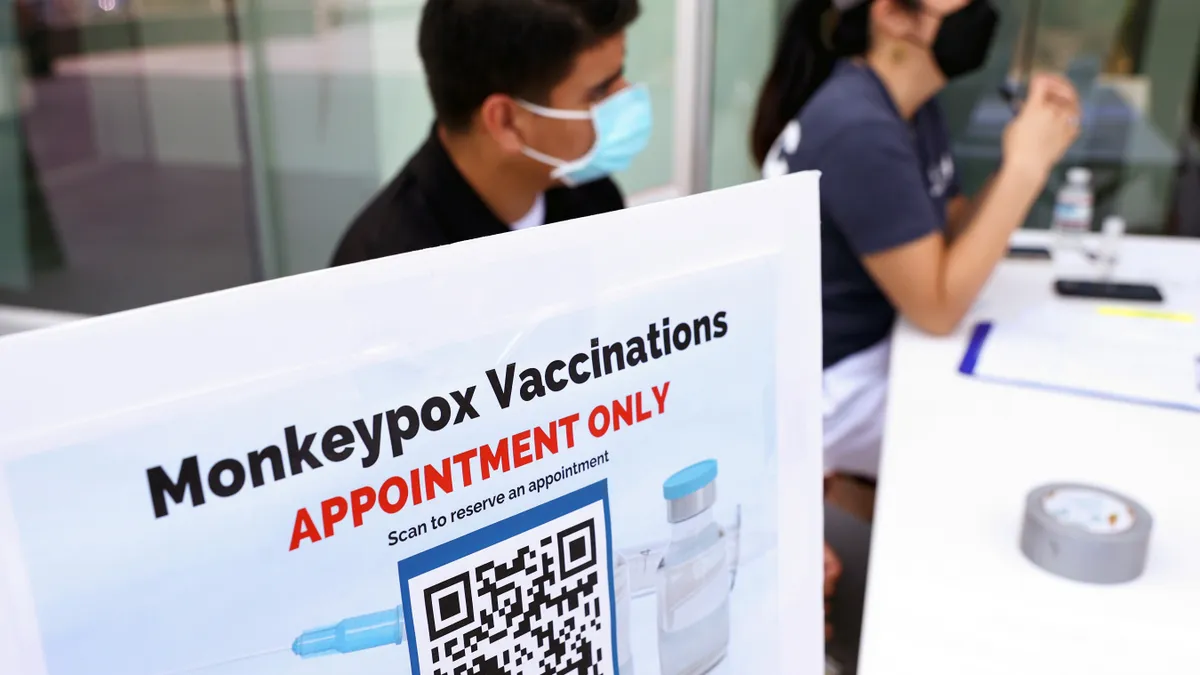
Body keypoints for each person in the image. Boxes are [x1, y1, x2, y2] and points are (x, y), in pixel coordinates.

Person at [751, 0, 1080, 635]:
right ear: (894, 17)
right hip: (818, 384)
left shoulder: (905, 105)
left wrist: (1024, 158)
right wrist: (1025, 167)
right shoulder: (858, 127)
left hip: (864, 348)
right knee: (1002, 442)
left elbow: (949, 228)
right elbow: (936, 305)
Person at [331, 0, 651, 266]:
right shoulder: (383, 271)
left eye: (619, 77)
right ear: (506, 122)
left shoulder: (594, 200)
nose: (626, 95)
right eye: (599, 92)